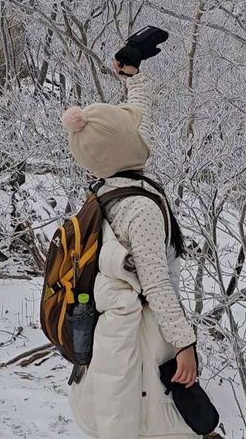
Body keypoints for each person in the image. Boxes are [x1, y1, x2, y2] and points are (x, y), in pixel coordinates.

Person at [60, 57, 200, 439]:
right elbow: (155, 282)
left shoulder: (112, 180)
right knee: (146, 422)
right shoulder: (140, 208)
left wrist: (134, 79)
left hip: (112, 326)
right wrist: (184, 342)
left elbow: (139, 119)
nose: (138, 126)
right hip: (137, 334)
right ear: (127, 144)